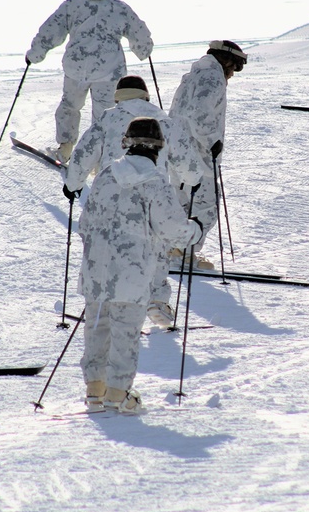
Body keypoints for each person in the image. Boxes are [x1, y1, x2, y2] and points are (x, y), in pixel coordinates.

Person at [77, 117, 203, 413]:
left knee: (97, 330)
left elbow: (84, 223)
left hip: (96, 270)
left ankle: (95, 393)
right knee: (125, 334)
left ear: (126, 144)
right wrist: (194, 229)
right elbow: (173, 229)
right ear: (158, 149)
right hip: (132, 273)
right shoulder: (155, 182)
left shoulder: (106, 175)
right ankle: (119, 394)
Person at [62, 75, 203, 327]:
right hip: (152, 190)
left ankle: (107, 298)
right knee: (155, 243)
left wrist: (72, 184)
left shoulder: (107, 118)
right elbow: (189, 163)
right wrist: (193, 179)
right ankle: (157, 299)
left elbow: (84, 153)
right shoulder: (163, 122)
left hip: (110, 188)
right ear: (146, 96)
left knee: (108, 242)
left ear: (118, 97)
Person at [25, 0, 153, 163]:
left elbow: (50, 31)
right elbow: (141, 37)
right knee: (106, 114)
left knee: (69, 105)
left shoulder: (72, 6)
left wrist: (35, 54)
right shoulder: (119, 7)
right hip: (109, 71)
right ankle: (101, 158)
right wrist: (144, 50)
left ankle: (65, 148)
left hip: (77, 69)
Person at [167, 40, 247, 269]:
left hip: (177, 150)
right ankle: (185, 253)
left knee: (183, 202)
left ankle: (176, 249)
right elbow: (199, 115)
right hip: (197, 154)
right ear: (227, 60)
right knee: (207, 205)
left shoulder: (194, 74)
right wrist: (213, 142)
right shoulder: (212, 77)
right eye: (236, 66)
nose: (233, 73)